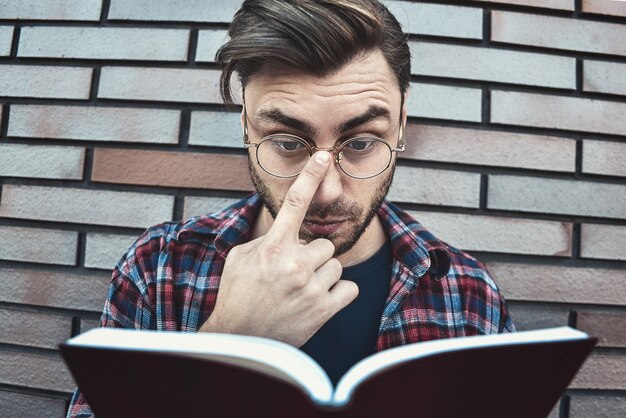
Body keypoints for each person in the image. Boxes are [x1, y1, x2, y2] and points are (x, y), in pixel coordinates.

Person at [67, 0, 514, 416]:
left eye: (360, 142)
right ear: (247, 124)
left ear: (400, 125)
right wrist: (227, 342)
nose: (322, 191)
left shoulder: (469, 292)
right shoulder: (160, 267)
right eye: (287, 142)